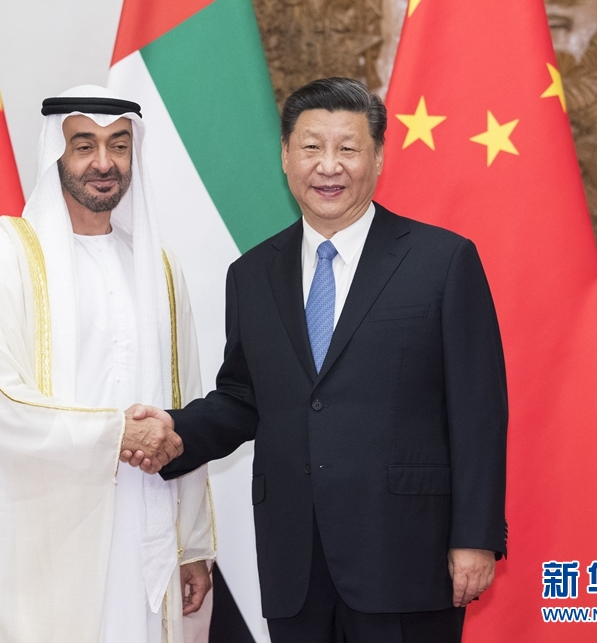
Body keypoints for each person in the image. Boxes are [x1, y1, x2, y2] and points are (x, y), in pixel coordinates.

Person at [126, 77, 508, 642]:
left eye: (348, 148)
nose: (329, 166)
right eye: (311, 147)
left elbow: (478, 411)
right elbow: (244, 398)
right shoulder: (252, 274)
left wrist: (475, 537)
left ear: (378, 157)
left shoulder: (442, 261)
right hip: (295, 563)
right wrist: (174, 431)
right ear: (285, 155)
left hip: (406, 554)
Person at [0, 85, 215, 643]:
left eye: (119, 145)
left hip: (145, 528)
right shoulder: (0, 258)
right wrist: (115, 434)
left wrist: (191, 545)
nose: (104, 163)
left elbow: (183, 402)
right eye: (84, 145)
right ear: (55, 153)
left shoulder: (157, 268)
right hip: (45, 534)